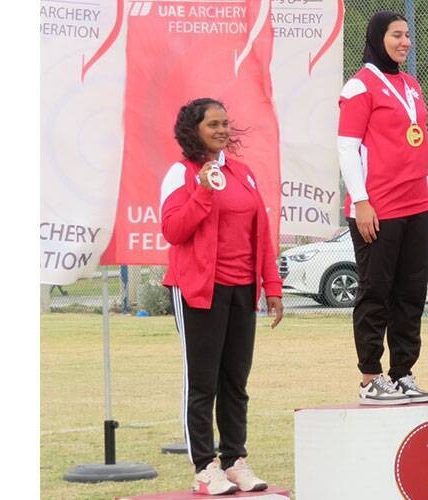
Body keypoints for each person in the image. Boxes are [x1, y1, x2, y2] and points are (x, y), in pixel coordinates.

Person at [160, 97, 284, 495]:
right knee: (203, 382)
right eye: (213, 123)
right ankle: (204, 466)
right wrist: (202, 192)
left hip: (242, 291)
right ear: (193, 129)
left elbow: (262, 236)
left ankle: (234, 461)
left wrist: (272, 288)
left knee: (235, 380)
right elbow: (173, 231)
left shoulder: (243, 174)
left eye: (225, 123)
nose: (222, 130)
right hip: (198, 290)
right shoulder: (181, 174)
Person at [337, 10, 428, 405]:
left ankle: (402, 372)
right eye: (397, 35)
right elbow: (347, 146)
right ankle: (370, 376)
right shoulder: (359, 87)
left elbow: (421, 145)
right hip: (378, 207)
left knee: (410, 292)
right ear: (378, 37)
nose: (404, 42)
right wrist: (361, 201)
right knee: (375, 291)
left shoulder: (412, 85)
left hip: (415, 203)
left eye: (407, 36)